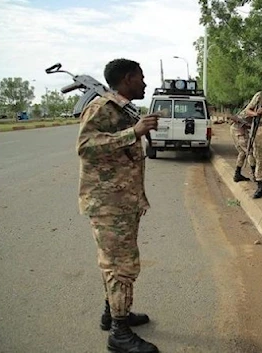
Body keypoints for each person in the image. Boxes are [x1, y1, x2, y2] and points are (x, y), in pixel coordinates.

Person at [76, 58, 160, 353]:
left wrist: (139, 128)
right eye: (141, 78)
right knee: (122, 266)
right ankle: (119, 333)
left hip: (123, 201)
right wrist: (133, 133)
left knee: (114, 264)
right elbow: (85, 147)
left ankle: (112, 313)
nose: (145, 83)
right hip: (108, 204)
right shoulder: (101, 107)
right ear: (127, 79)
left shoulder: (123, 109)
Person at [229, 109, 255, 182]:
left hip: (236, 130)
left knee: (242, 153)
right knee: (250, 152)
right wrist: (243, 123)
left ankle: (237, 174)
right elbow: (234, 117)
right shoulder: (250, 110)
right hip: (239, 131)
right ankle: (256, 175)